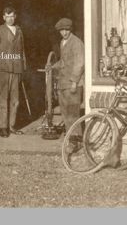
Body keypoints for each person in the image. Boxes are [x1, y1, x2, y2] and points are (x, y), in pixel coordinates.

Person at [50, 18, 84, 153]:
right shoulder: (63, 42)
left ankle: (76, 141)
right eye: (62, 30)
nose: (64, 32)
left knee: (72, 113)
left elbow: (80, 63)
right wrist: (53, 66)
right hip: (63, 83)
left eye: (67, 30)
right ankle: (71, 138)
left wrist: (75, 82)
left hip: (73, 84)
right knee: (65, 112)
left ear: (71, 29)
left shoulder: (76, 43)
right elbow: (64, 61)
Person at [0, 6, 26, 137]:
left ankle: (12, 126)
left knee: (15, 99)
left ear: (15, 16)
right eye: (7, 16)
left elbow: (22, 50)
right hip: (3, 68)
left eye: (12, 16)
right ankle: (2, 127)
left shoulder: (19, 30)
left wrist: (23, 66)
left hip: (16, 68)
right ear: (3, 17)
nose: (10, 19)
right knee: (3, 98)